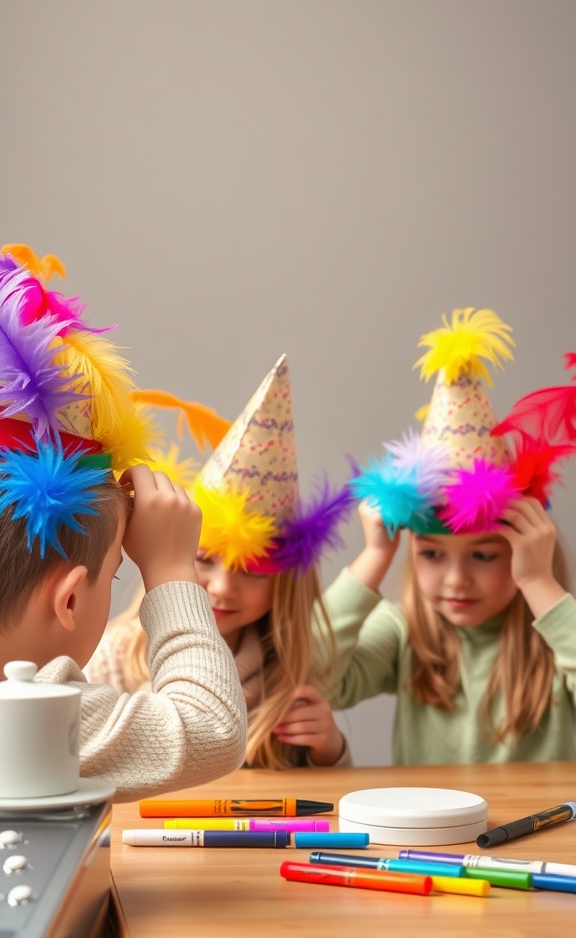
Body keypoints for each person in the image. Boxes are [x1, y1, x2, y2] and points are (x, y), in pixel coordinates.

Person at [0, 244, 247, 801]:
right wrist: (169, 570)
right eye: (113, 576)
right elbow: (210, 727)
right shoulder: (36, 714)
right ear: (68, 600)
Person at [323, 308, 576, 764]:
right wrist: (375, 555)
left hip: (543, 831)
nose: (456, 580)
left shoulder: (558, 639)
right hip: (434, 836)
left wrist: (540, 581)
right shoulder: (407, 631)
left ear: (526, 549)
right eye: (433, 554)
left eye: (483, 556)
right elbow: (317, 675)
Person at [86, 354, 354, 768]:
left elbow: (313, 791)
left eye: (252, 570)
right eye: (204, 560)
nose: (225, 587)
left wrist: (329, 750)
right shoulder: (115, 659)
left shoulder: (286, 670)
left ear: (284, 581)